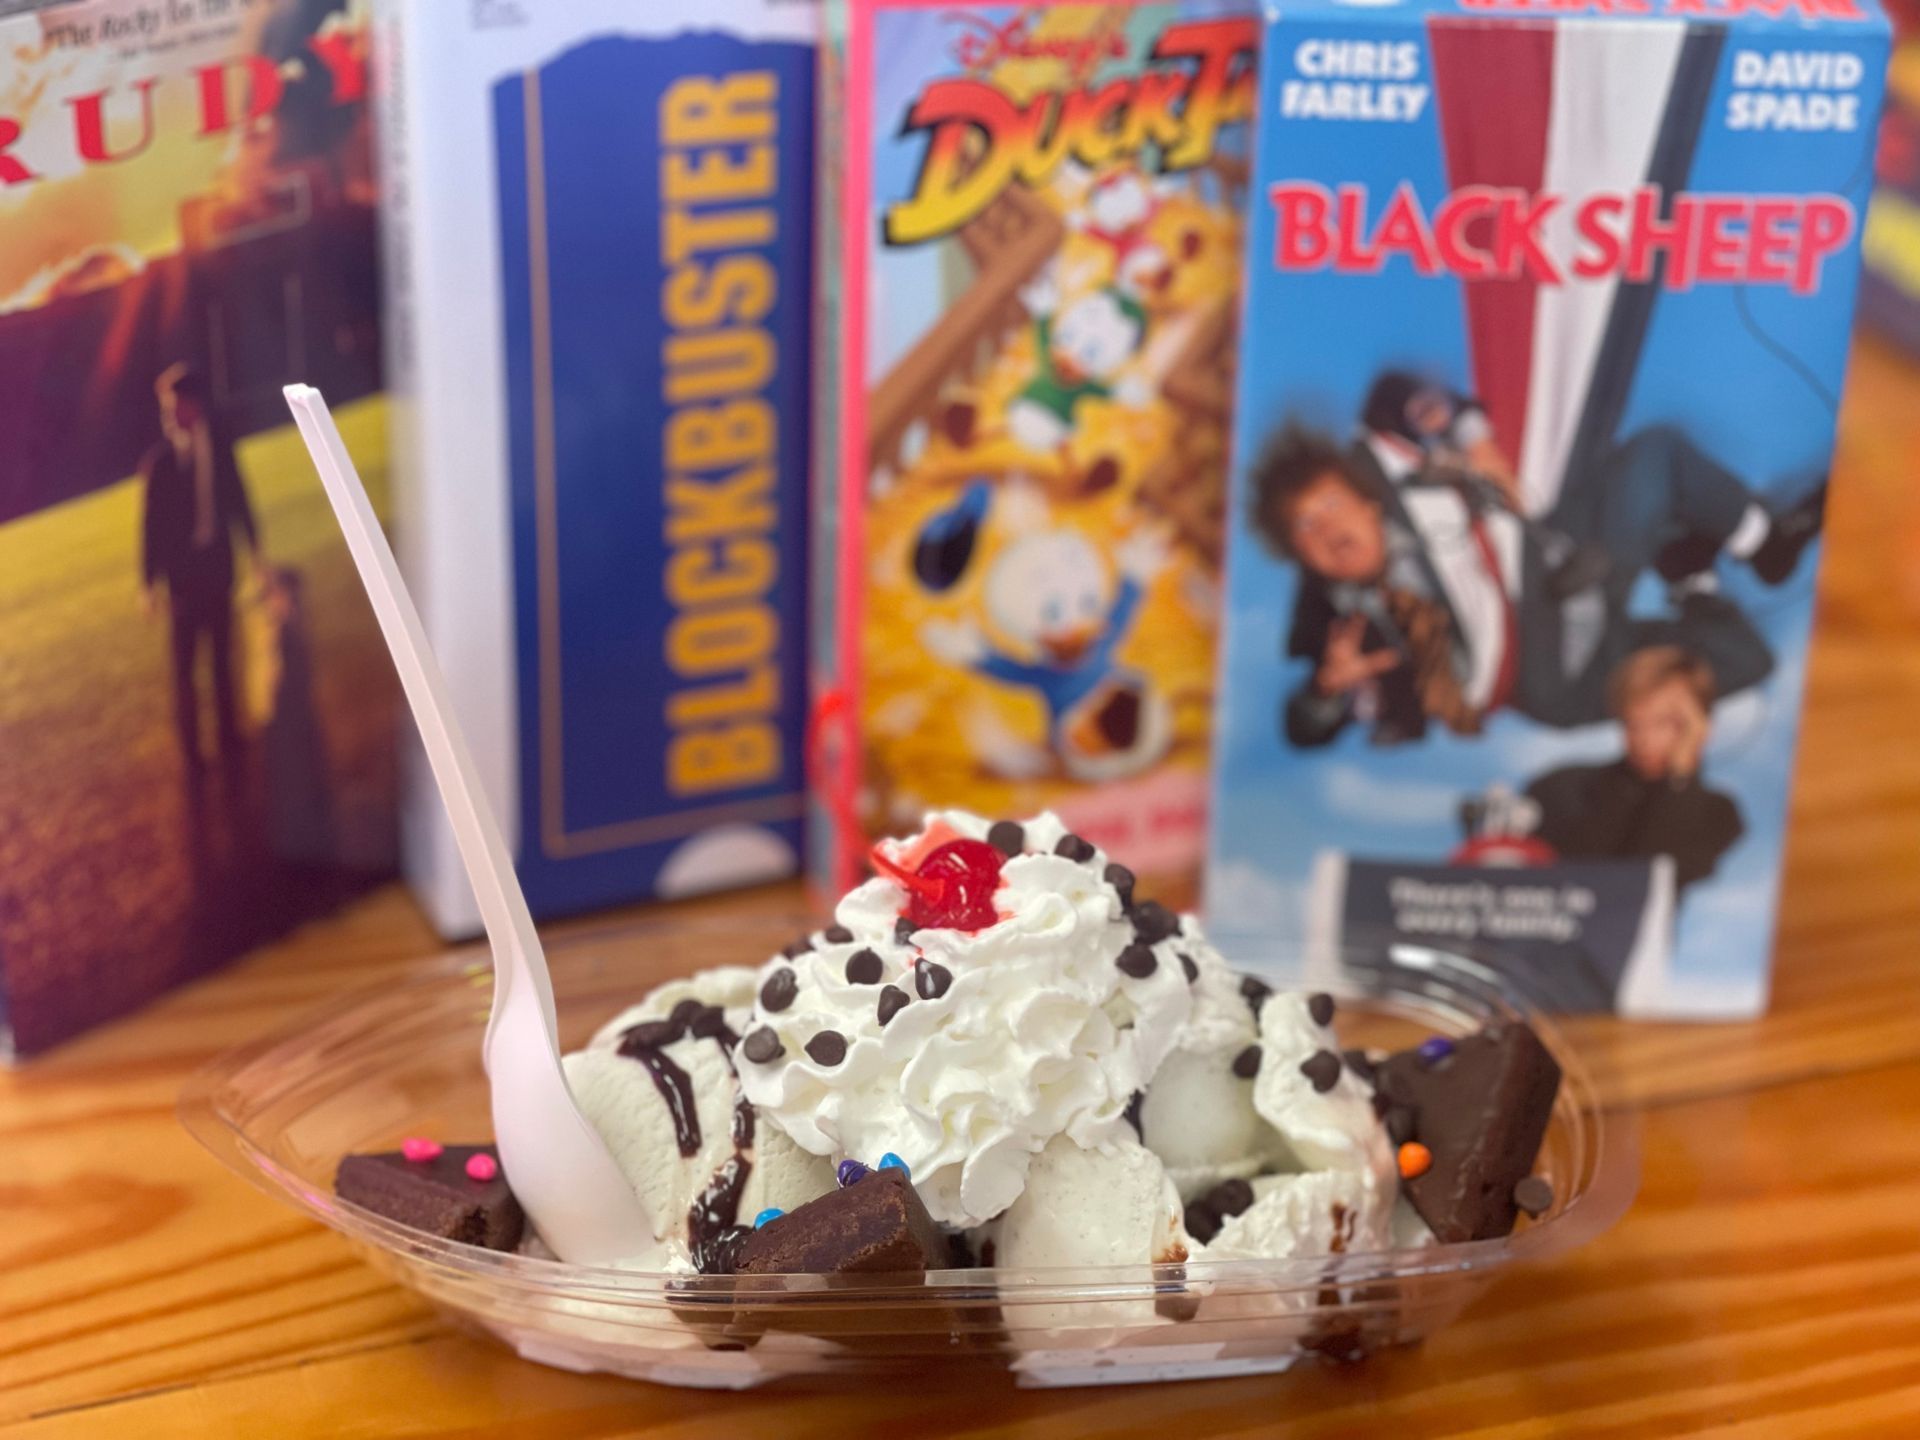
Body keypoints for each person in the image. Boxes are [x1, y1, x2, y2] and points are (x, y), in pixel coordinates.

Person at [1249, 407, 1812, 747]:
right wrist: (1326, 691)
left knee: (1654, 458)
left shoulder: (1417, 503)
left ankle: (1763, 545)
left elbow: (1424, 410)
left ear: (1367, 502)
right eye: (1304, 525)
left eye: (1330, 505)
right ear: (1298, 555)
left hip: (1548, 570)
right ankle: (1691, 577)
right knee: (1750, 659)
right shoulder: (1340, 623)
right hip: (1550, 677)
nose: (1326, 528)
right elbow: (1303, 728)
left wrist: (1474, 447)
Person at [1525, 647, 1744, 891]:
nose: (1645, 739)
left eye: (1664, 722)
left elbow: (1650, 878)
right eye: (1634, 724)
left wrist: (1681, 777)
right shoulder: (1562, 789)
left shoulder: (1718, 815)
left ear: (1701, 728)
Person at [140, 363, 260, 782]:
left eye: (173, 406)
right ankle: (192, 755)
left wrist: (256, 552)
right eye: (164, 408)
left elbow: (239, 498)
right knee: (185, 670)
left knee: (223, 659)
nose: (168, 415)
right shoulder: (160, 464)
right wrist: (148, 584)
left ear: (194, 405)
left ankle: (229, 737)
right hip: (182, 583)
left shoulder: (220, 446)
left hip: (218, 569)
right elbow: (151, 529)